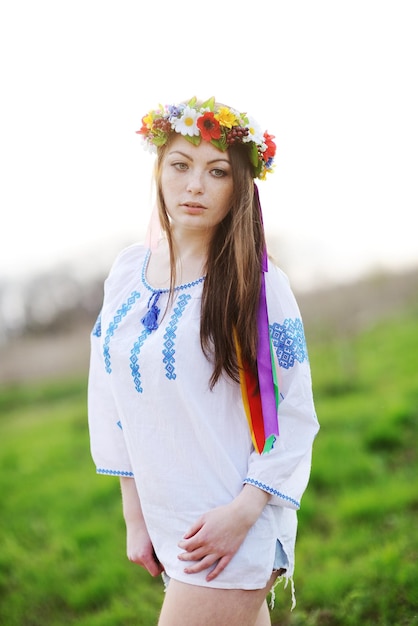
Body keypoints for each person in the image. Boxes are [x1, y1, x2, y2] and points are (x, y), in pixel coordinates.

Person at [88, 96, 319, 626]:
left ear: (239, 186)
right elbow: (108, 394)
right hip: (170, 515)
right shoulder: (127, 272)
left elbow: (294, 412)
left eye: (217, 172)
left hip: (232, 520)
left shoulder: (256, 285)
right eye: (181, 165)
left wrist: (242, 514)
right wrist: (135, 514)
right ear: (159, 172)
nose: (195, 184)